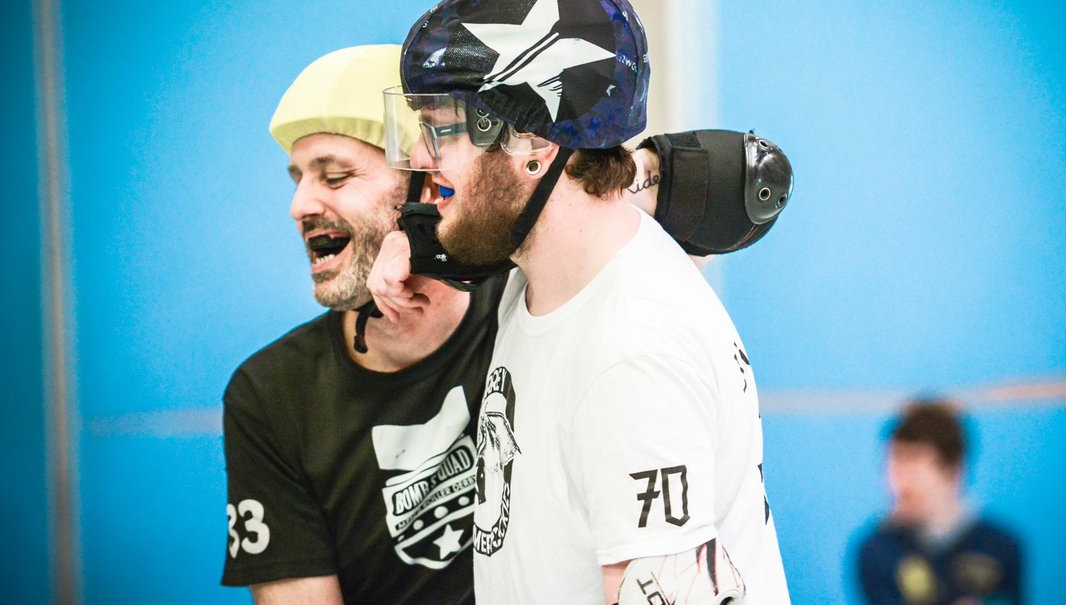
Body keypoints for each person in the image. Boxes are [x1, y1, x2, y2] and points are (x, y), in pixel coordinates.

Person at [222, 43, 795, 603]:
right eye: (297, 178)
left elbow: (738, 177)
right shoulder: (272, 393)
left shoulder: (535, 293)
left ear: (427, 180)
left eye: (336, 176)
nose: (298, 205)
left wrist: (618, 163)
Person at [379, 0, 791, 602]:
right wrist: (411, 244)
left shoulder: (631, 354)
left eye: (441, 129)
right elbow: (518, 210)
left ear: (532, 146)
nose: (421, 158)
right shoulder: (552, 271)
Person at [856, 401, 1022, 605]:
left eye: (912, 467)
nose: (897, 484)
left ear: (953, 470)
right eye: (893, 468)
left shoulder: (1001, 547)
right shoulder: (878, 550)